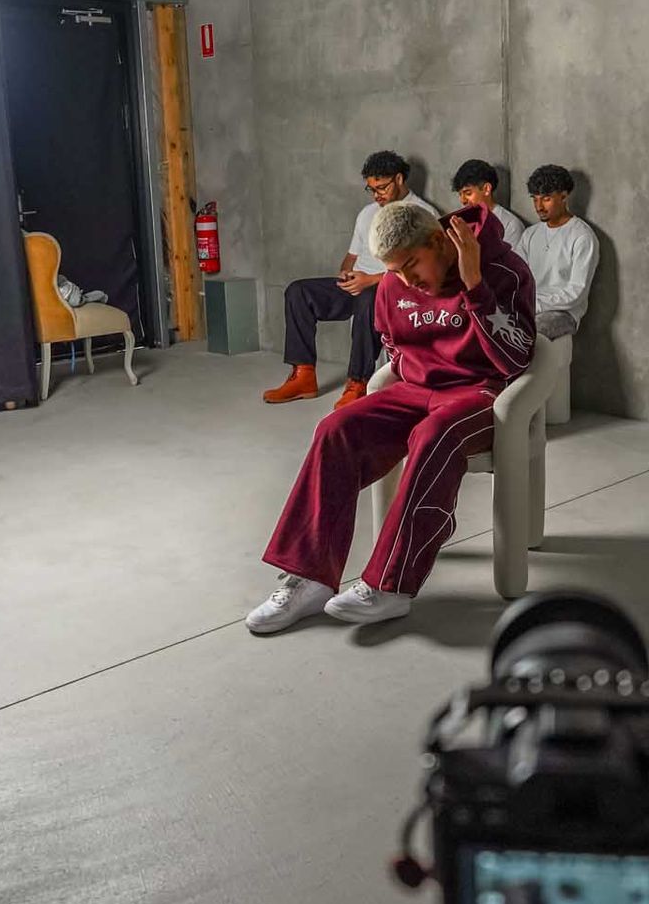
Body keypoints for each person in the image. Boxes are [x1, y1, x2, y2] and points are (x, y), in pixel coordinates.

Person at [247, 201, 537, 633]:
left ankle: (391, 585)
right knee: (334, 430)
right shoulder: (392, 287)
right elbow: (397, 354)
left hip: (481, 392)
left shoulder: (504, 269)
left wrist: (475, 285)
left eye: (411, 265)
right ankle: (309, 578)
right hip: (414, 391)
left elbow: (518, 358)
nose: (404, 280)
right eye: (394, 270)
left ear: (438, 241)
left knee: (434, 434)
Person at [263, 150, 437, 409]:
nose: (376, 194)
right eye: (371, 189)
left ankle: (358, 383)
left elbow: (423, 269)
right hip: (358, 283)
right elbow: (350, 257)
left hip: (393, 290)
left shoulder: (422, 214)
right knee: (298, 292)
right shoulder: (367, 213)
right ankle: (303, 376)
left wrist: (372, 279)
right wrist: (346, 274)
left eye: (382, 187)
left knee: (369, 299)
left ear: (399, 179)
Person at [517, 164, 598, 341]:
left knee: (523, 334)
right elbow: (516, 277)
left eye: (546, 199)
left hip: (563, 313)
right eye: (535, 199)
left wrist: (535, 305)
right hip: (528, 305)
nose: (539, 206)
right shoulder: (530, 234)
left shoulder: (582, 236)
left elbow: (576, 292)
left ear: (564, 196)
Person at [451, 158, 526, 249]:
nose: (463, 201)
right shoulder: (460, 222)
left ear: (487, 189)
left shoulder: (510, 225)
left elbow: (513, 262)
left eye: (468, 193)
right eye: (460, 194)